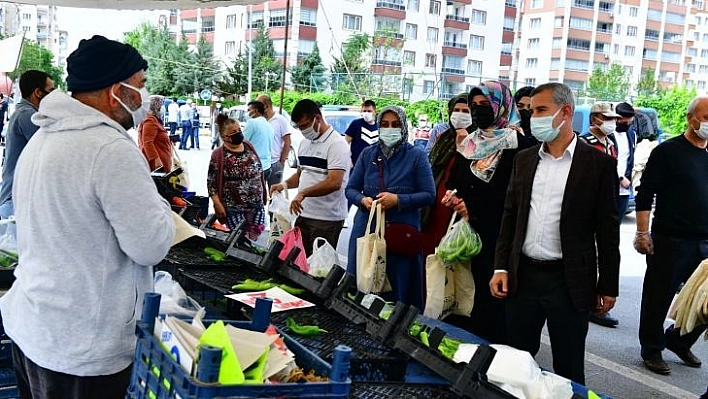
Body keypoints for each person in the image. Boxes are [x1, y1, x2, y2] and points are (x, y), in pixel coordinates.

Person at [0, 35, 175, 399]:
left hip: (34, 326)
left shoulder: (43, 138)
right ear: (116, 90)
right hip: (84, 346)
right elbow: (151, 246)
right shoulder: (110, 150)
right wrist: (161, 206)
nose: (143, 97)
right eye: (140, 85)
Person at [491, 83, 620, 384]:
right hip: (523, 277)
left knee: (569, 366)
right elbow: (510, 217)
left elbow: (608, 230)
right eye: (531, 110)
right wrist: (501, 266)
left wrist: (608, 284)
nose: (532, 117)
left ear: (565, 112)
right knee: (516, 364)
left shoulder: (598, 164)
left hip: (569, 281)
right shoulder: (525, 160)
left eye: (540, 110)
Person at [442, 80, 536, 344]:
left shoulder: (521, 145)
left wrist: (474, 208)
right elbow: (455, 183)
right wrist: (455, 198)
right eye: (474, 105)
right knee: (463, 302)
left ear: (501, 106)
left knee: (493, 309)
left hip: (498, 240)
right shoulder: (468, 144)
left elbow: (517, 197)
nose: (477, 110)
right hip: (466, 239)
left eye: (485, 105)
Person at [634, 96, 708, 375]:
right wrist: (642, 232)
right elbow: (645, 193)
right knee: (658, 297)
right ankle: (652, 349)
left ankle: (678, 339)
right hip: (670, 240)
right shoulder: (668, 151)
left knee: (704, 301)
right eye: (706, 116)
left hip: (704, 242)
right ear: (691, 119)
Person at [345, 106, 435, 309]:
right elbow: (350, 188)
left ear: (403, 126)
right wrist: (362, 200)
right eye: (384, 124)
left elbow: (429, 195)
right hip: (367, 233)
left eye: (395, 124)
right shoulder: (368, 154)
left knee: (397, 297)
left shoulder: (416, 156)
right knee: (362, 291)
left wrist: (399, 200)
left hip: (399, 238)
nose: (389, 129)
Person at [269, 99, 349, 256]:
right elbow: (301, 175)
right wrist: (284, 185)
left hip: (326, 219)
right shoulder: (305, 143)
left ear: (317, 119)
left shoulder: (337, 145)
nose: (303, 130)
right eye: (299, 127)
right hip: (303, 215)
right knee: (299, 263)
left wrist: (303, 193)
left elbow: (334, 182)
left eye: (305, 125)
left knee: (318, 270)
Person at [420, 94, 476, 257]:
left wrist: (463, 146)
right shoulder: (444, 138)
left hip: (458, 212)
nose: (460, 115)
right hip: (433, 208)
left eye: (466, 111)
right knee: (429, 260)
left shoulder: (480, 143)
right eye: (456, 110)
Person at [0, 70, 55, 219]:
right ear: (38, 92)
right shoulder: (27, 115)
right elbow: (51, 150)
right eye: (51, 91)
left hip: (15, 198)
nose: (54, 97)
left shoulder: (24, 112)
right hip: (14, 200)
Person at [209, 114, 267, 240]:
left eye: (239, 130)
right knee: (238, 238)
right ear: (224, 137)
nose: (238, 133)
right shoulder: (218, 155)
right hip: (233, 207)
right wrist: (217, 204)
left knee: (254, 236)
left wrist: (263, 192)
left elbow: (259, 170)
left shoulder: (248, 146)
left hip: (255, 204)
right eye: (234, 132)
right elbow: (211, 183)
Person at [256, 94, 291, 186]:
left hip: (275, 163)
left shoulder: (280, 120)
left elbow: (287, 142)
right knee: (259, 194)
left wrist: (282, 162)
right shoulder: (258, 121)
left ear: (266, 106)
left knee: (275, 193)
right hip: (260, 163)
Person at [613, 102, 637, 219]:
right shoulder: (608, 135)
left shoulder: (631, 135)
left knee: (617, 226)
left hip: (624, 191)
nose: (626, 125)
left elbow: (631, 159)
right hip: (609, 188)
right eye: (623, 122)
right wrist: (620, 177)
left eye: (629, 122)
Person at [137, 95, 172, 172]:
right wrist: (156, 159)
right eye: (161, 104)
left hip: (161, 161)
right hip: (157, 165)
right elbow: (147, 142)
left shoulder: (154, 119)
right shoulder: (150, 120)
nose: (163, 107)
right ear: (156, 106)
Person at [243, 100, 273, 181]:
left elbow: (241, 143)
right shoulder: (269, 126)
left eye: (249, 110)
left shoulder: (252, 123)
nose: (247, 113)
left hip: (254, 167)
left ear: (255, 111)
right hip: (266, 166)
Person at [344, 99, 379, 167]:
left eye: (369, 111)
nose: (366, 113)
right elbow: (345, 143)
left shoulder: (379, 127)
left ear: (375, 112)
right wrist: (347, 159)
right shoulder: (356, 124)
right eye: (364, 111)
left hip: (373, 166)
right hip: (357, 165)